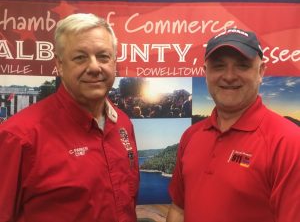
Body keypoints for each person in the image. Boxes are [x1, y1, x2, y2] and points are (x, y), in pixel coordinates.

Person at [0, 13, 139, 222]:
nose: (94, 67)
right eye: (80, 57)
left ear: (114, 62)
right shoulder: (18, 137)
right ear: (60, 65)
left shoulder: (123, 123)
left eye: (103, 56)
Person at [167, 28, 300, 222]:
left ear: (261, 71)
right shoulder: (191, 136)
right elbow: (178, 209)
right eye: (219, 66)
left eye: (242, 66)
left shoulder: (289, 142)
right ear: (206, 73)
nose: (229, 76)